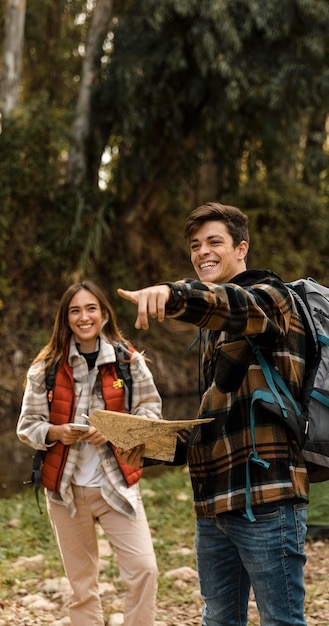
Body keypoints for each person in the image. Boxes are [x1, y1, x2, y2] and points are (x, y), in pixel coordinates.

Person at [117, 202, 310, 626]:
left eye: (214, 242)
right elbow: (210, 422)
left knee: (282, 621)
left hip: (267, 498)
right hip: (214, 505)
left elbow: (232, 304)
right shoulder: (213, 333)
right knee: (218, 620)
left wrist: (173, 294)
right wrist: (151, 447)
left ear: (242, 248)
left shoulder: (273, 300)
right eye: (195, 245)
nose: (202, 251)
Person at [17, 280, 161, 626]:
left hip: (117, 486)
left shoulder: (130, 361)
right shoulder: (44, 369)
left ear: (104, 313)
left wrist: (115, 430)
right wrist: (55, 432)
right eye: (75, 310)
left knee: (145, 570)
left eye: (91, 308)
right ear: (65, 318)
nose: (84, 317)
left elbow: (151, 416)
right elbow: (27, 426)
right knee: (82, 588)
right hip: (65, 492)